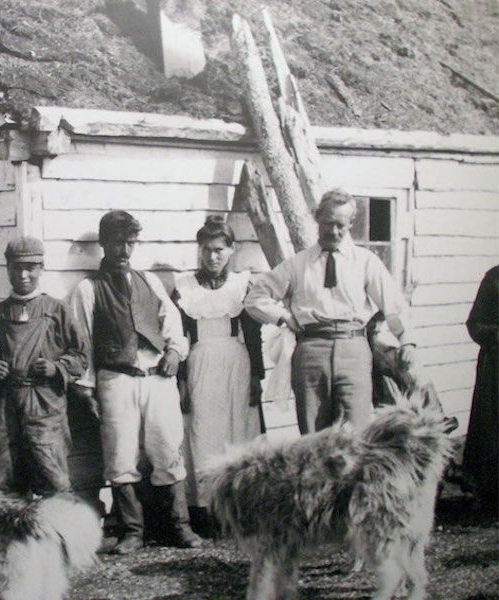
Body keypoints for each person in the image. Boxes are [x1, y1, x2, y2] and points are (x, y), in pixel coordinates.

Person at [69, 210, 201, 554]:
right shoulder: (87, 289)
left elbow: (172, 324)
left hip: (157, 377)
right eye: (117, 242)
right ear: (103, 243)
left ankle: (178, 526)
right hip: (116, 379)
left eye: (130, 242)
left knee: (167, 447)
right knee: (120, 455)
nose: (124, 250)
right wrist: (87, 388)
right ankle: (132, 531)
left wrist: (174, 352)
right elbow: (81, 342)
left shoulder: (150, 281)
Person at [244, 188, 415, 434]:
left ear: (351, 224)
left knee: (354, 434)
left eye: (341, 225)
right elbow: (255, 298)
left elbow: (394, 304)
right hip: (311, 351)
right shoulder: (297, 264)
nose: (334, 231)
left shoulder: (365, 261)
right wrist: (284, 317)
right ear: (316, 218)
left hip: (353, 348)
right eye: (328, 223)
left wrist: (406, 341)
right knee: (314, 435)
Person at [0, 236, 87, 497]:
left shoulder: (58, 310)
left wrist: (57, 368)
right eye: (16, 267)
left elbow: (81, 356)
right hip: (4, 406)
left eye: (31, 267)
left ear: (41, 268)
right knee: (4, 480)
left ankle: (60, 535)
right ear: (7, 268)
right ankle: (14, 536)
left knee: (53, 478)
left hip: (44, 405)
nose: (23, 275)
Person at [171, 215, 265, 535]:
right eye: (207, 250)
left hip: (236, 364)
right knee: (202, 434)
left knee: (237, 432)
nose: (213, 257)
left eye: (220, 250)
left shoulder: (242, 285)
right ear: (200, 250)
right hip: (200, 362)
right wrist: (180, 380)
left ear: (231, 251)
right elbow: (178, 337)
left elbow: (253, 336)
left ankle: (241, 509)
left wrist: (257, 377)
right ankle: (205, 513)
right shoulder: (184, 288)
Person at [462, 265, 498, 513]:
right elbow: (475, 323)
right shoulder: (494, 278)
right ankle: (491, 493)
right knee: (493, 429)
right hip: (496, 367)